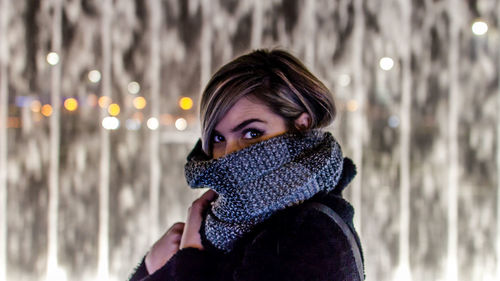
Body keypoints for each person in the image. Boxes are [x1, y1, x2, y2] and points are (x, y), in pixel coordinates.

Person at [129, 49, 365, 281]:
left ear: (301, 125)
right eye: (219, 139)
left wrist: (188, 257)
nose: (230, 154)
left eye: (252, 133)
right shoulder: (226, 226)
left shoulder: (313, 234)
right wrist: (150, 266)